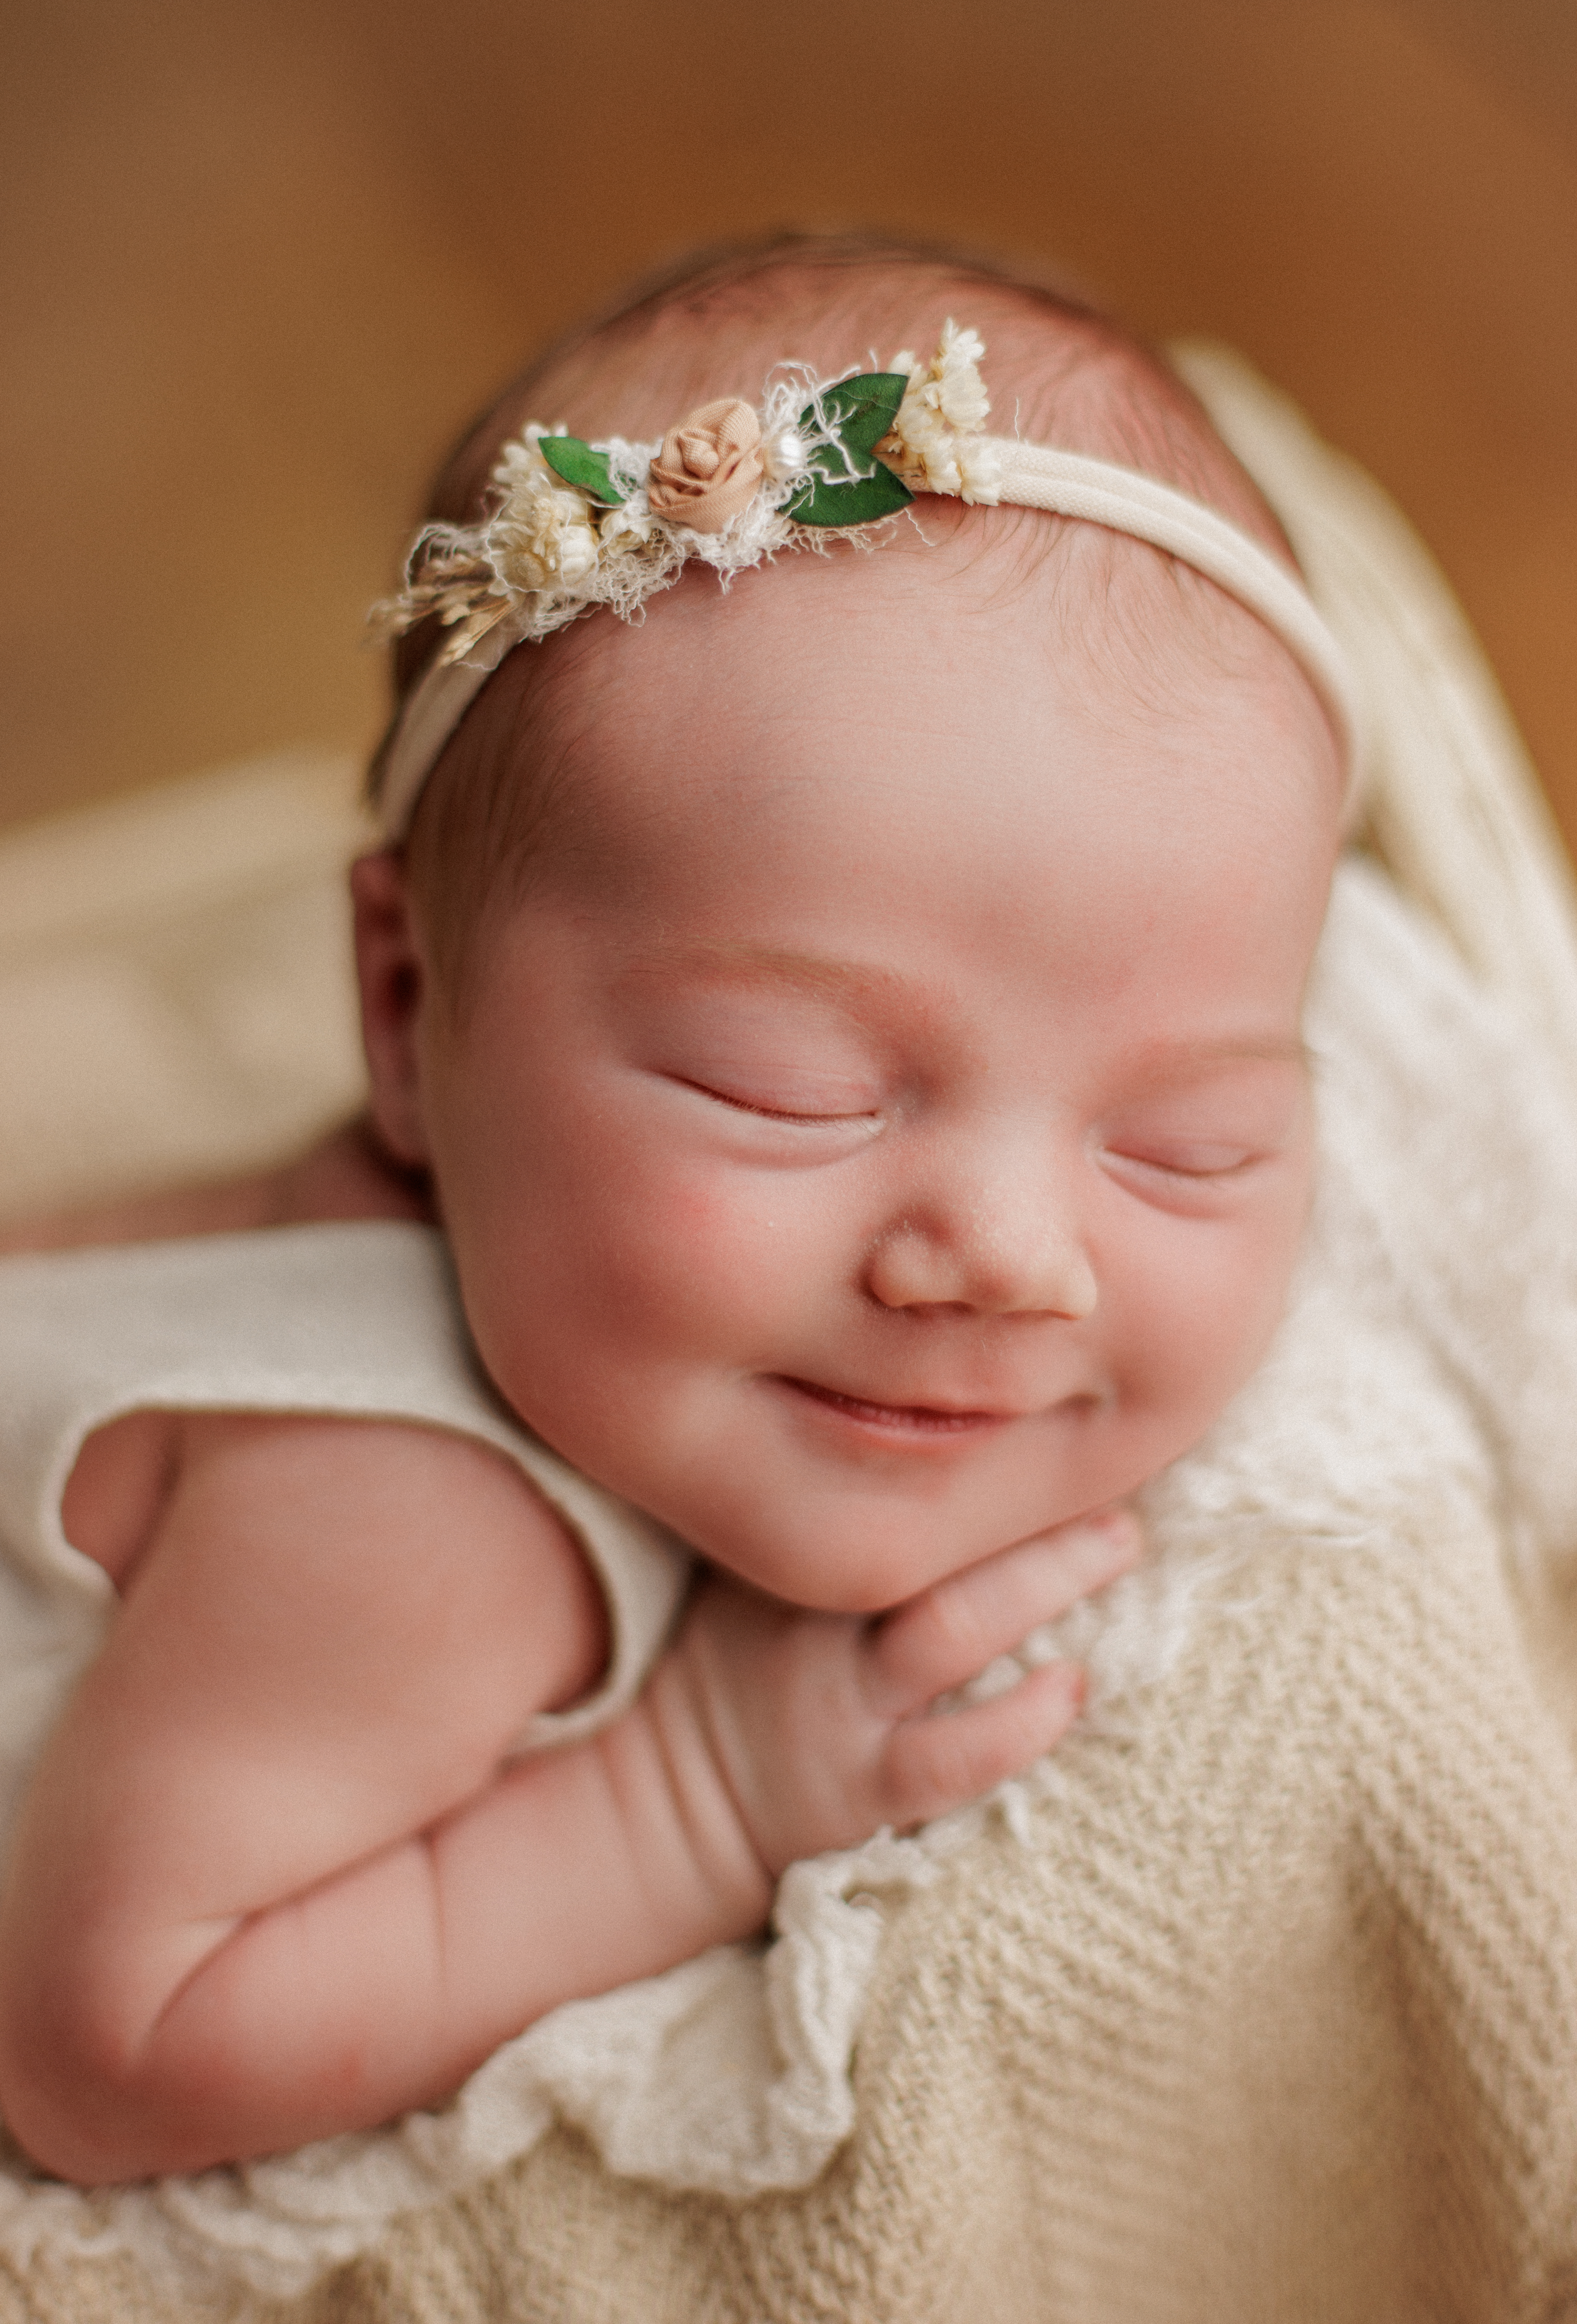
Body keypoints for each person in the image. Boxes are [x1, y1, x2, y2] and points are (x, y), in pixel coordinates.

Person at [0, 236, 1355, 2189]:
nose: (1005, 1253)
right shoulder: (407, 1520)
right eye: (782, 1090)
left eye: (1188, 1141)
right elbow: (111, 2049)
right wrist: (699, 1792)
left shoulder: (500, 1234)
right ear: (404, 1017)